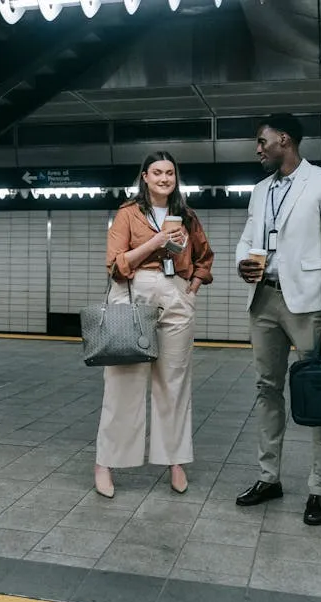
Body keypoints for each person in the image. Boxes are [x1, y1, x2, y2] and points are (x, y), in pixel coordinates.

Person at [234, 113, 321, 525]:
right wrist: (241, 264)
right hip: (264, 301)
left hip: (310, 304)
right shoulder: (260, 190)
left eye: (262, 141)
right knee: (267, 389)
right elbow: (249, 238)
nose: (258, 149)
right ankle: (269, 477)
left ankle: (320, 489)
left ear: (284, 139)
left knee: (318, 395)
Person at [94, 151, 215, 499]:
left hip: (176, 293)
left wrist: (192, 287)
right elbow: (116, 265)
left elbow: (205, 257)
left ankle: (175, 460)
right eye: (157, 172)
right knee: (123, 383)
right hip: (134, 294)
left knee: (174, 382)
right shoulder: (127, 213)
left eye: (170, 173)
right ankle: (106, 462)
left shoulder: (187, 216)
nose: (164, 178)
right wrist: (157, 240)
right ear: (144, 176)